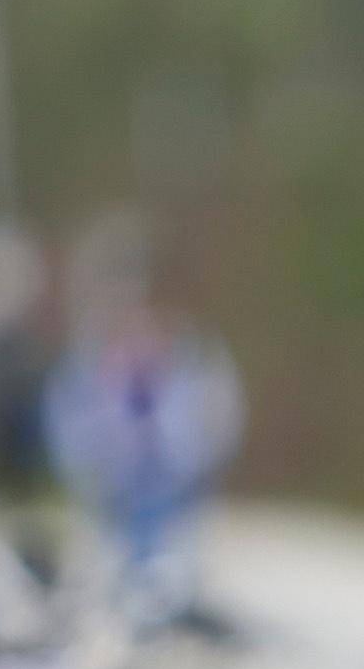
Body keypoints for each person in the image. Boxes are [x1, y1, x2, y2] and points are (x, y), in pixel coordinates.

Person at [43, 211, 242, 605]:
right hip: (110, 504)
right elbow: (69, 432)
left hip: (176, 500)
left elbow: (217, 420)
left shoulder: (195, 359)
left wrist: (194, 467)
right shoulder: (85, 366)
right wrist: (93, 476)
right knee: (109, 586)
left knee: (172, 583)